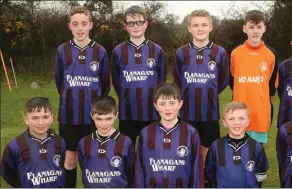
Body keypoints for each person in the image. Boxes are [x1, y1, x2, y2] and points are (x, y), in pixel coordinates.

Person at [54, 6, 111, 187]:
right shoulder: (62, 50)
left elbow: (104, 85)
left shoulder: (100, 51)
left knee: (92, 159)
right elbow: (59, 81)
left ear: (91, 25)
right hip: (68, 116)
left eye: (84, 24)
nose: (80, 28)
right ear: (69, 26)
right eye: (76, 24)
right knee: (70, 159)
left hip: (92, 117)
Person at [173, 9, 229, 163]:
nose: (200, 28)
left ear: (211, 27)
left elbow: (223, 80)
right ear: (189, 28)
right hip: (187, 112)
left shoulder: (220, 52)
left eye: (204, 25)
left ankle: (207, 182)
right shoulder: (181, 53)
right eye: (196, 25)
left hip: (210, 111)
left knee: (209, 151)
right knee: (186, 149)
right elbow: (178, 80)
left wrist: (210, 91)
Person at [111, 5, 166, 146]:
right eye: (131, 23)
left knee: (150, 151)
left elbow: (161, 82)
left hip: (152, 111)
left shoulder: (157, 50)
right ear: (125, 26)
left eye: (139, 22)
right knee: (126, 152)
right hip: (127, 111)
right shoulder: (118, 51)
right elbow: (117, 82)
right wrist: (126, 96)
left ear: (146, 24)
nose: (135, 26)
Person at [134, 83, 204, 187]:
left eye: (172, 103)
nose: (167, 108)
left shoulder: (191, 133)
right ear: (155, 106)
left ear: (180, 104)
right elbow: (139, 170)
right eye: (162, 104)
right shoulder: (146, 133)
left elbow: (197, 170)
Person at [229, 10, 279, 144]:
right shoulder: (235, 53)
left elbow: (272, 86)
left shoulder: (271, 55)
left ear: (264, 29)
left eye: (258, 27)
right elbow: (231, 81)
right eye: (251, 27)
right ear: (244, 29)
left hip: (260, 114)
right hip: (238, 113)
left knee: (256, 155)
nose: (255, 31)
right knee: (237, 154)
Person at [1, 97, 66, 188]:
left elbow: (64, 167)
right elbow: (6, 172)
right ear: (26, 120)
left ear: (51, 118)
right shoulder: (15, 145)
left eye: (45, 117)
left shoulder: (59, 142)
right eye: (35, 118)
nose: (41, 122)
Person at [205, 102, 269, 188]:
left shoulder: (256, 146)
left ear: (248, 122)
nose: (236, 123)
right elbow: (210, 174)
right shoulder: (216, 146)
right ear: (224, 122)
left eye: (241, 118)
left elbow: (260, 175)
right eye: (231, 119)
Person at [77, 96, 134, 188]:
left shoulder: (125, 142)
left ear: (116, 115)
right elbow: (84, 167)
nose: (104, 124)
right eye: (99, 119)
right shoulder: (84, 143)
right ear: (92, 116)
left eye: (108, 119)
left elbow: (131, 173)